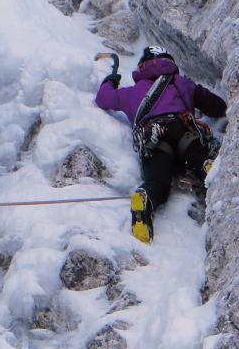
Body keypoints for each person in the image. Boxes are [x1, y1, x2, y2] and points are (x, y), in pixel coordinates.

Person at [95, 45, 227, 243]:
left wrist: (110, 81)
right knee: (197, 157)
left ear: (142, 66)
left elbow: (103, 99)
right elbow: (217, 106)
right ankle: (208, 168)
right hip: (182, 128)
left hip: (153, 136)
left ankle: (146, 198)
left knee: (158, 182)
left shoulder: (132, 92)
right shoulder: (181, 83)